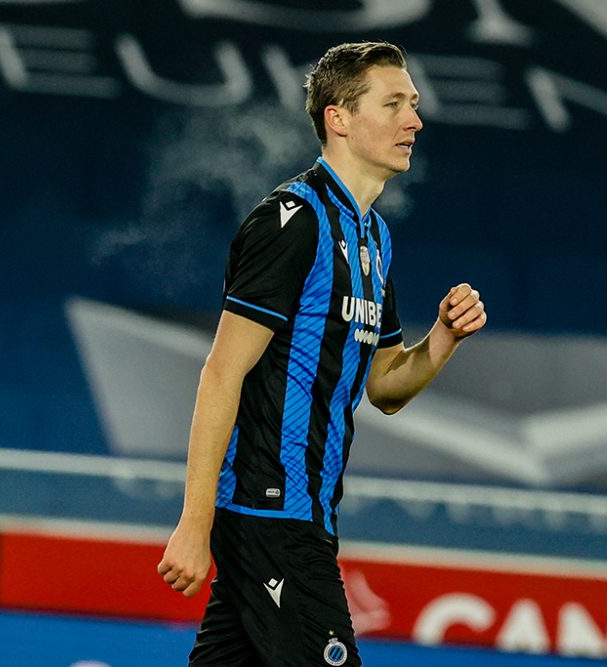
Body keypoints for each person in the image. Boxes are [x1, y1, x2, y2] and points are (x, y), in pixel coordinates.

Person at [157, 40, 487, 666]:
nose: (414, 121)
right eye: (393, 105)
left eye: (413, 105)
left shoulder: (374, 238)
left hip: (308, 517)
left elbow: (384, 386)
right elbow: (222, 372)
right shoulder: (293, 221)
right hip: (267, 513)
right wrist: (194, 523)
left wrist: (442, 339)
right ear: (338, 117)